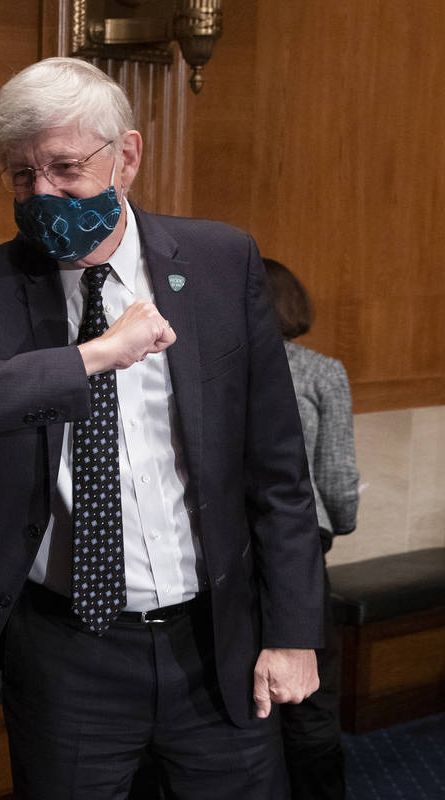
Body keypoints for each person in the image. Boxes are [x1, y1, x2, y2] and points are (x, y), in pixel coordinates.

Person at [0, 58, 323, 799]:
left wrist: (292, 632)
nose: (43, 194)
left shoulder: (220, 261)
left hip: (214, 639)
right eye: (22, 176)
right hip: (67, 652)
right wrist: (89, 358)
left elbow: (277, 470)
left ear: (127, 155)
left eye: (64, 168)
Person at [264, 257, 359, 800]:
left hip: (228, 552)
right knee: (311, 693)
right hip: (301, 546)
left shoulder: (211, 366)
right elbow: (338, 478)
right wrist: (340, 522)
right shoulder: (321, 371)